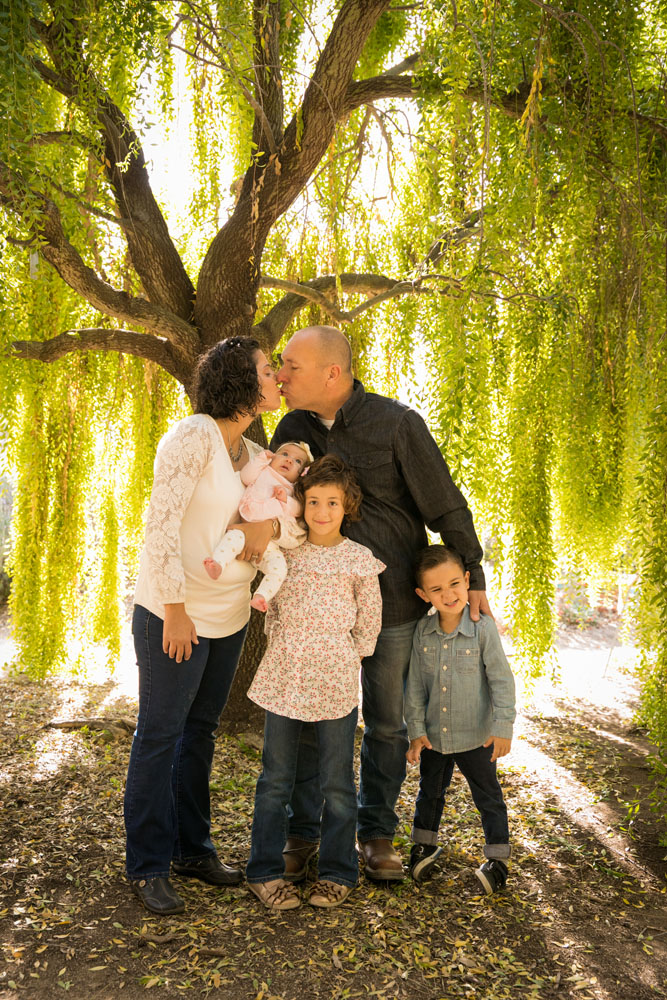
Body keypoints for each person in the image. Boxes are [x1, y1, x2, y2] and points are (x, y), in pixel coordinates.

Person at [271, 325, 491, 881]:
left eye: (291, 366)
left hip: (392, 604)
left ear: (332, 373)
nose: (281, 375)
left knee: (388, 724)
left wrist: (475, 574)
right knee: (303, 720)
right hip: (316, 612)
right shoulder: (292, 428)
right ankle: (303, 833)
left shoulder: (397, 423)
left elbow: (443, 503)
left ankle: (375, 835)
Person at [124, 336, 285, 916]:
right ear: (241, 380)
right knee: (160, 734)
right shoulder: (194, 435)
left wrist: (267, 538)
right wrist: (173, 608)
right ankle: (146, 864)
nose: (278, 377)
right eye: (269, 369)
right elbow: (160, 524)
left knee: (200, 733)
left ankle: (193, 849)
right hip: (178, 614)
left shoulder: (253, 451)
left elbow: (263, 524)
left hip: (230, 615)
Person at [245, 455, 384, 910]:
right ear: (300, 505)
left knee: (337, 784)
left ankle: (337, 871)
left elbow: (369, 622)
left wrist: (345, 656)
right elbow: (274, 613)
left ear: (348, 507)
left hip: (336, 682)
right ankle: (264, 871)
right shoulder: (286, 555)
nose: (322, 511)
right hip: (285, 678)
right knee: (275, 780)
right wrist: (290, 647)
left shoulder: (358, 560)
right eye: (314, 501)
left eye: (333, 503)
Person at [404, 544, 515, 892]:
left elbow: (501, 680)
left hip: (477, 737)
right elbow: (416, 687)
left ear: (467, 580)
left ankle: (497, 859)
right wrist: (416, 731)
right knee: (430, 792)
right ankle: (424, 844)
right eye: (436, 589)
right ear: (423, 594)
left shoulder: (483, 630)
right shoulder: (422, 633)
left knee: (488, 796)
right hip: (436, 737)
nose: (448, 594)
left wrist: (503, 728)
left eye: (454, 584)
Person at [203, 441, 312, 612]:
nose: (289, 460)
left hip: (270, 545)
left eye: (297, 461)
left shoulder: (293, 489)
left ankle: (261, 596)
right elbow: (245, 476)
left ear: (300, 474)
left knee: (279, 568)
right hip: (246, 529)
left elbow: (298, 510)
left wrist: (285, 500)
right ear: (273, 457)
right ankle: (217, 563)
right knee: (232, 538)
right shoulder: (263, 471)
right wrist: (261, 459)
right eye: (284, 454)